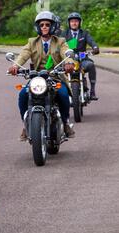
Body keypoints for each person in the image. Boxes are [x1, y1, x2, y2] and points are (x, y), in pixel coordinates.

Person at [8, 11, 75, 141]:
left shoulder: (60, 41)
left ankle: (66, 123)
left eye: (47, 24)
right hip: (36, 78)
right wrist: (15, 66)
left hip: (54, 77)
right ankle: (26, 124)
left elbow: (66, 53)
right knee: (23, 94)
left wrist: (69, 63)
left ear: (53, 26)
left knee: (63, 94)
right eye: (42, 24)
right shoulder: (32, 42)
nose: (44, 27)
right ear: (38, 27)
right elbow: (23, 54)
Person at [61, 12, 100, 100]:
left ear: (79, 23)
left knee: (91, 65)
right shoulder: (64, 34)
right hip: (68, 60)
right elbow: (57, 44)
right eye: (72, 21)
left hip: (82, 59)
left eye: (76, 21)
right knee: (57, 71)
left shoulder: (84, 33)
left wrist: (95, 47)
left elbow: (92, 41)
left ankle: (92, 91)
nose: (74, 23)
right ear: (69, 23)